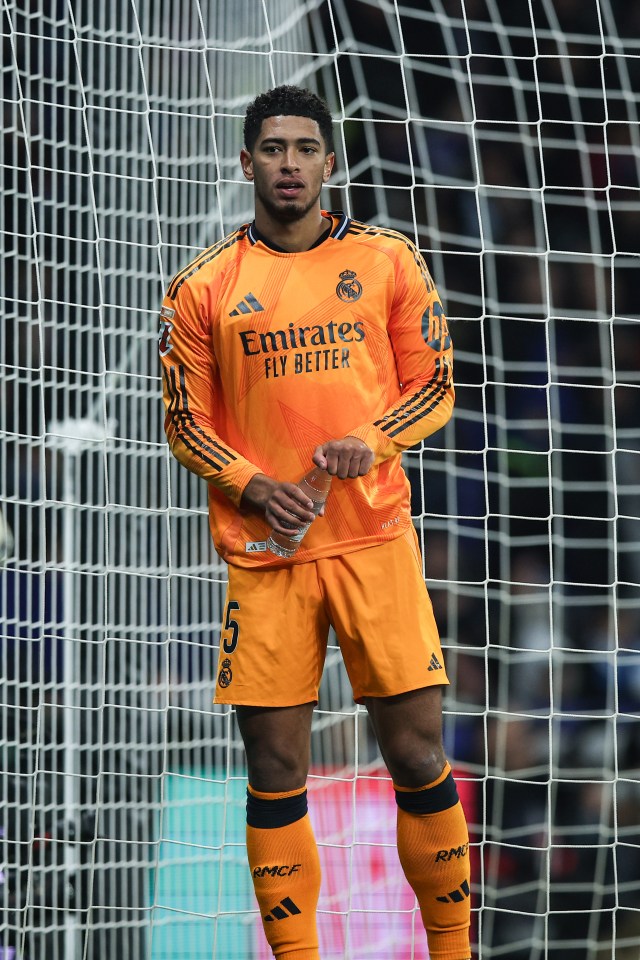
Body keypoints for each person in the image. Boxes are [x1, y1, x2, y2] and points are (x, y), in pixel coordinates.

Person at [159, 84, 471, 960]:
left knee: (416, 754)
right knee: (275, 769)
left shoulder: (387, 262)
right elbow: (185, 423)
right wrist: (256, 486)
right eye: (272, 148)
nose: (288, 163)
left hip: (374, 542)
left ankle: (454, 950)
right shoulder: (203, 289)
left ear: (330, 162)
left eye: (304, 147)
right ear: (246, 161)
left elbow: (435, 386)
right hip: (266, 556)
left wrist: (368, 443)